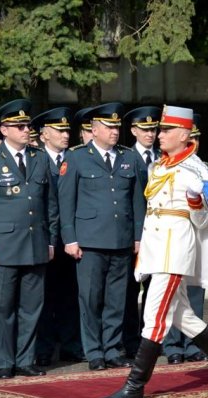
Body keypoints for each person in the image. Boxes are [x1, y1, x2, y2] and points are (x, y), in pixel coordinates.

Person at [99, 105, 208, 398]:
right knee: (182, 316)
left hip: (176, 250)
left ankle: (135, 385)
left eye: (166, 130)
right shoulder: (158, 166)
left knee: (154, 317)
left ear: (184, 134)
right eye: (159, 129)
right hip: (157, 249)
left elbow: (206, 222)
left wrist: (196, 202)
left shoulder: (197, 169)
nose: (159, 134)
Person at [0, 99, 59, 379]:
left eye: (28, 125)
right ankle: (4, 361)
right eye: (19, 126)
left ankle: (25, 359)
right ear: (4, 130)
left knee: (31, 308)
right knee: (2, 308)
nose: (26, 130)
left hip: (35, 243)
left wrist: (50, 241)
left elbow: (50, 205)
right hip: (4, 246)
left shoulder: (39, 157)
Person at [58, 102, 144, 371]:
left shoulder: (129, 156)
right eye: (109, 127)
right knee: (91, 299)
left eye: (117, 127)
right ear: (94, 130)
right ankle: (94, 351)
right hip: (90, 241)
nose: (115, 132)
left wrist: (138, 236)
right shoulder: (76, 157)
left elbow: (137, 202)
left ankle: (112, 348)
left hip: (121, 239)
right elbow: (66, 201)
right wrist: (70, 239)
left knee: (116, 300)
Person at [32, 107, 85, 366]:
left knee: (70, 294)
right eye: (60, 130)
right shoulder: (35, 158)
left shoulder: (76, 158)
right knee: (43, 295)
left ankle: (71, 345)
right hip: (44, 238)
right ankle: (43, 347)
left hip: (73, 238)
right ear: (44, 135)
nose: (66, 135)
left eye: (67, 130)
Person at [161, 113, 208, 364]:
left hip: (195, 237)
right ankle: (172, 345)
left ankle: (193, 345)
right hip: (169, 241)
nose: (196, 142)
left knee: (193, 296)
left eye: (198, 138)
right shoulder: (159, 166)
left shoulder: (204, 168)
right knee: (170, 296)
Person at [122, 106, 161, 359]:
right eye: (145, 129)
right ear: (134, 130)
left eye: (153, 129)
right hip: (132, 232)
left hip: (158, 232)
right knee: (128, 289)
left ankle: (150, 339)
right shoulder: (125, 157)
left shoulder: (163, 157)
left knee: (154, 288)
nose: (150, 134)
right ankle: (129, 339)